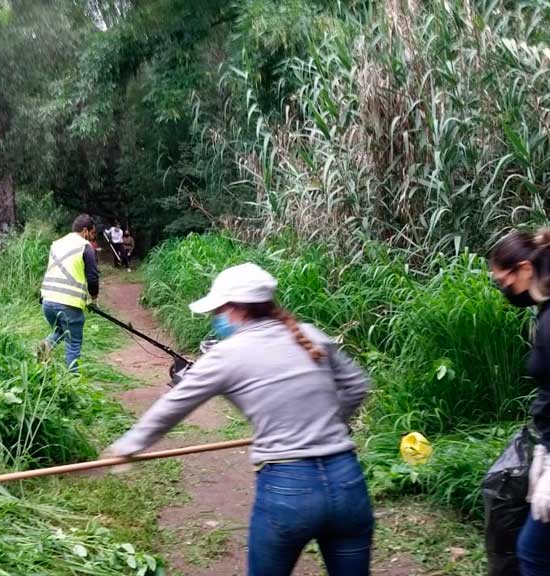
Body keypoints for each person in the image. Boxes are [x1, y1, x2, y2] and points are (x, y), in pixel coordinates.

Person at [106, 263, 373, 575]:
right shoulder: (310, 335)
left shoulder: (226, 354)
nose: (215, 318)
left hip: (289, 490)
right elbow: (357, 385)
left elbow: (173, 405)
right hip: (348, 481)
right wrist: (335, 423)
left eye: (217, 310)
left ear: (234, 309)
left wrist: (128, 445)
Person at [489, 228, 550, 575]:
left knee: (533, 551)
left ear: (525, 269)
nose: (503, 290)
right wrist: (545, 447)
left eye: (503, 281)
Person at [39, 214, 100, 372]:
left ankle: (45, 346)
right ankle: (71, 382)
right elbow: (93, 277)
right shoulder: (85, 246)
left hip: (47, 301)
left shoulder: (56, 244)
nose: (93, 238)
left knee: (60, 331)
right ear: (85, 231)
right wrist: (93, 298)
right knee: (73, 343)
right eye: (93, 234)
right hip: (68, 303)